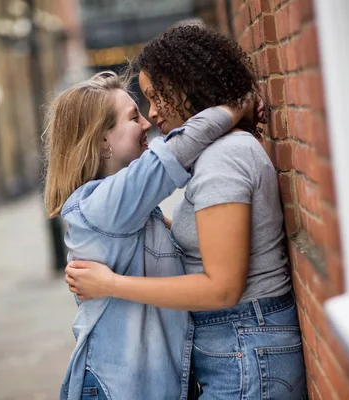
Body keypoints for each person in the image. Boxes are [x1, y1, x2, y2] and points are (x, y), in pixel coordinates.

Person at [66, 25, 307, 400]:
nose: (151, 114)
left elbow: (222, 287)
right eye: (139, 109)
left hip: (243, 346)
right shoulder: (217, 156)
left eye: (155, 96)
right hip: (238, 348)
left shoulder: (222, 158)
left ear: (186, 86)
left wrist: (111, 284)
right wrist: (232, 111)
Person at [44, 70, 252, 400]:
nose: (146, 123)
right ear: (102, 140)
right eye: (133, 117)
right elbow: (178, 148)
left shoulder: (125, 206)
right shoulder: (108, 203)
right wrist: (238, 104)